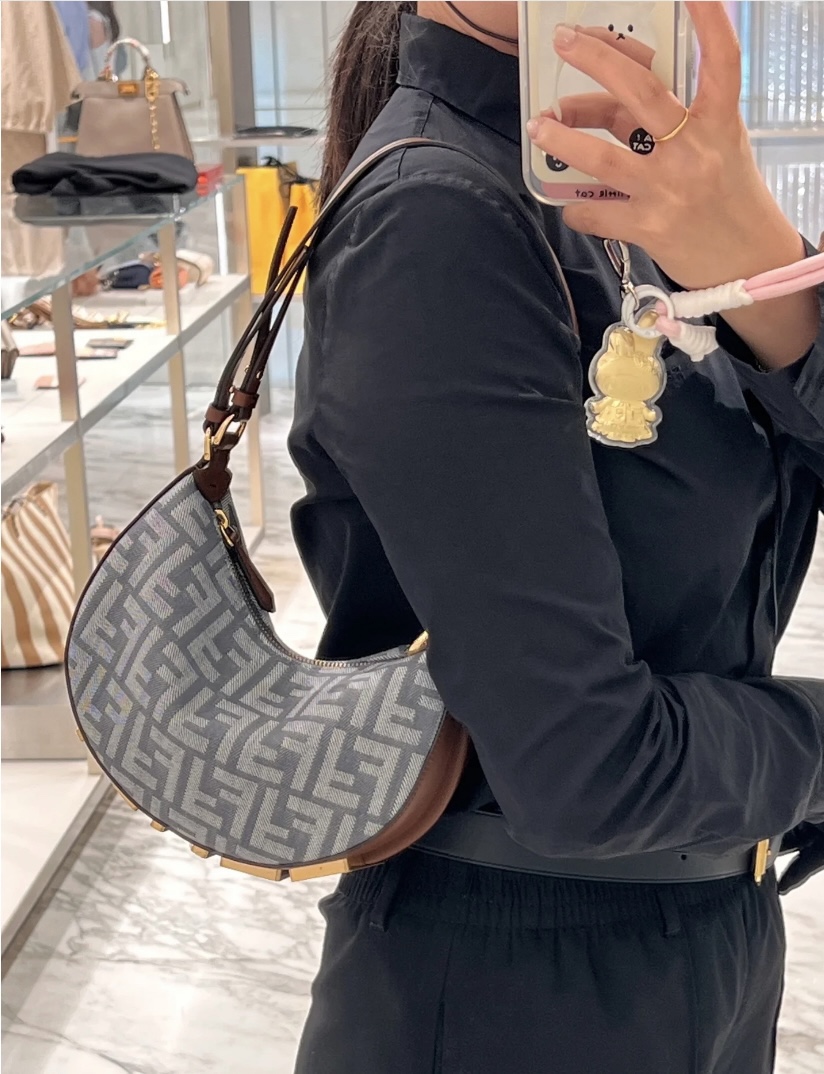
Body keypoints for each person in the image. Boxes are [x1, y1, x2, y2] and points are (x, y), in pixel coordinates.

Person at [288, 3, 824, 1072]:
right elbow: (585, 770)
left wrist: (770, 270)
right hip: (519, 990)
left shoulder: (633, 183)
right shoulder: (436, 219)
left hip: (687, 947)